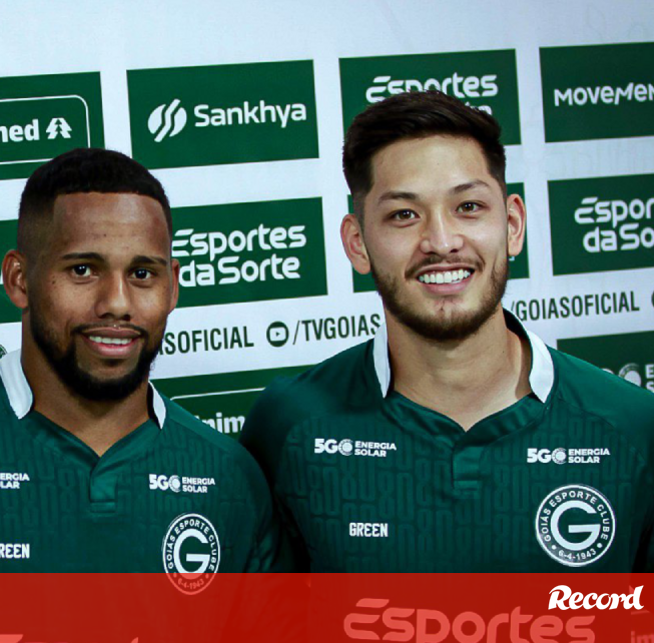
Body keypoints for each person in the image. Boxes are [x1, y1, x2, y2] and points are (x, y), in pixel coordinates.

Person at [241, 90, 654, 571]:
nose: (440, 242)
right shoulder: (289, 425)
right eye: (404, 215)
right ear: (357, 244)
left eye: (469, 206)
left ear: (513, 225)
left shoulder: (632, 426)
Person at [0, 148, 282, 580]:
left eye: (142, 274)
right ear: (19, 280)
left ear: (172, 287)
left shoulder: (231, 479)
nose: (116, 303)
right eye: (83, 270)